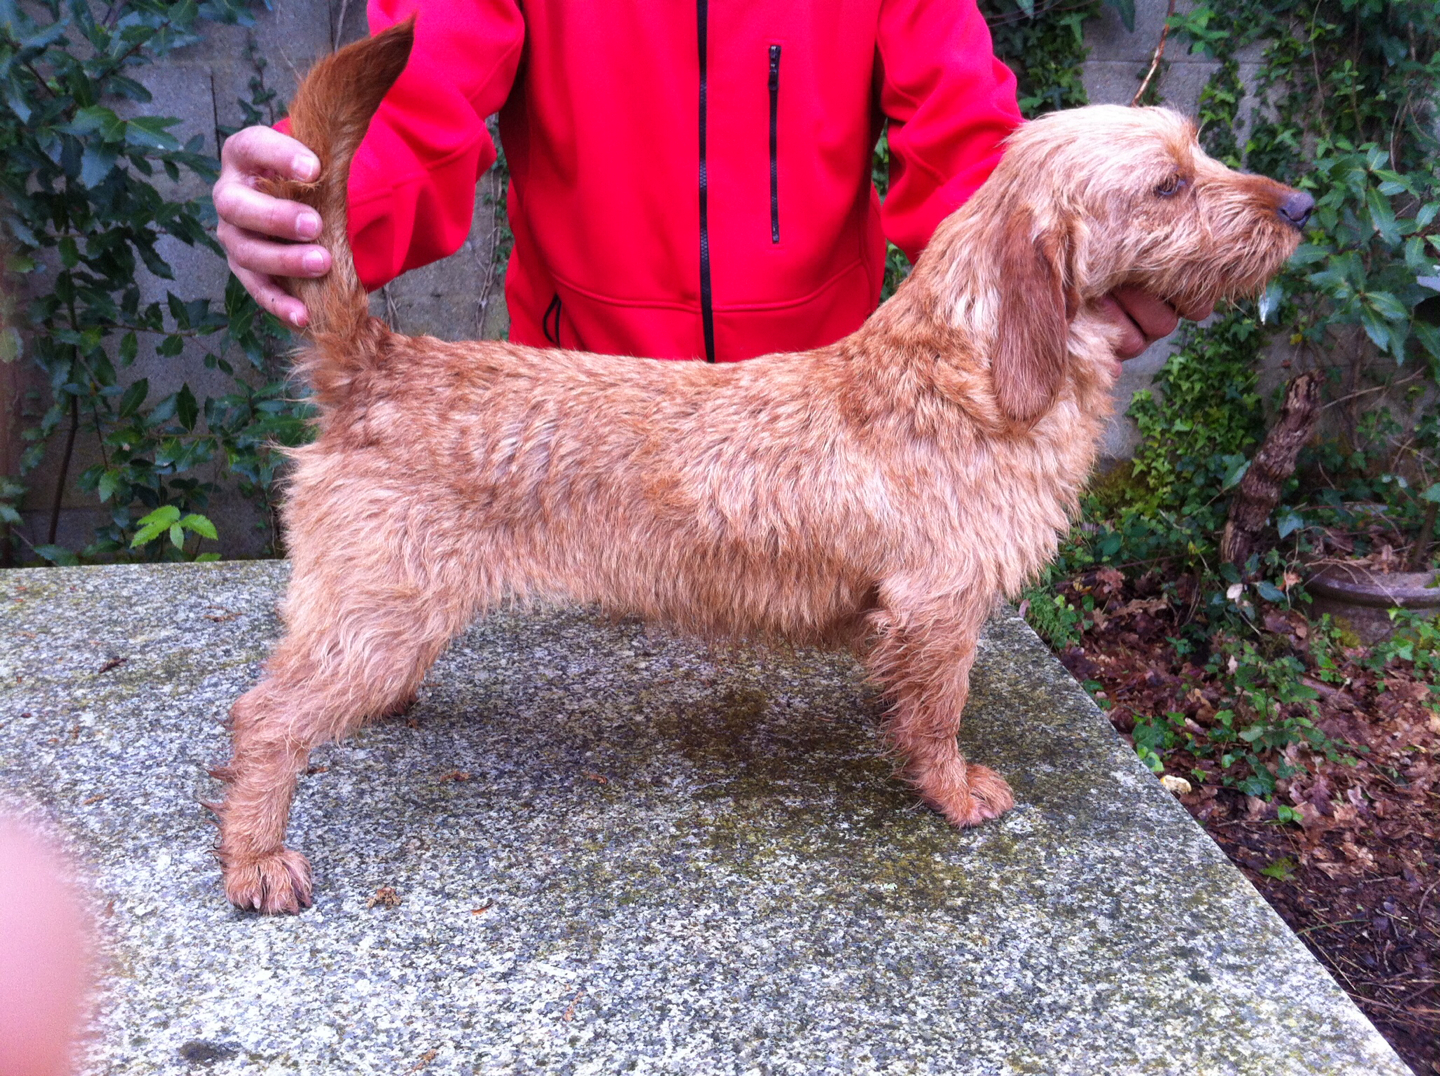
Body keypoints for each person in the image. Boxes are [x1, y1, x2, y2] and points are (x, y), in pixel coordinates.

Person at [214, 0, 1189, 364]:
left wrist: (1066, 266)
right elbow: (417, 102)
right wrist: (315, 210)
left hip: (813, 434)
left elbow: (971, 153)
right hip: (590, 431)